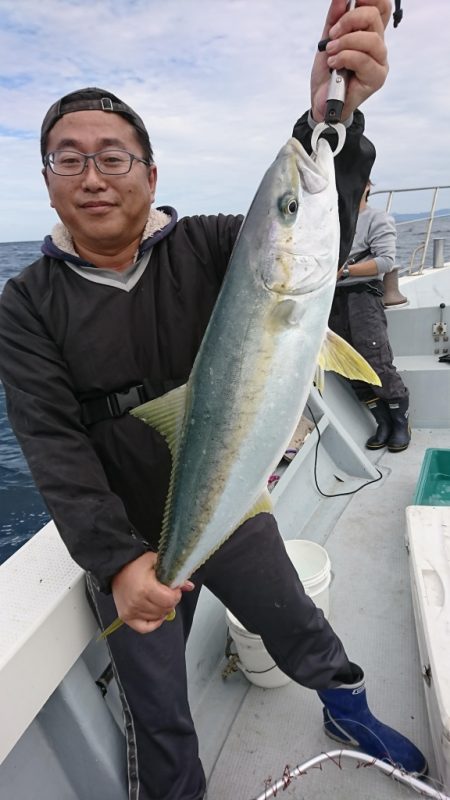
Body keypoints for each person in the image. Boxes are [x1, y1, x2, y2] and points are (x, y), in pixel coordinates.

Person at [0, 2, 425, 798]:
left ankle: (345, 702)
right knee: (155, 702)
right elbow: (49, 438)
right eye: (68, 159)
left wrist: (332, 119)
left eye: (114, 157)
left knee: (298, 622)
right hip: (123, 530)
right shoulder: (24, 302)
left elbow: (304, 227)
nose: (92, 175)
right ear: (47, 180)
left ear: (151, 175)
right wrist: (120, 562)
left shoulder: (209, 243)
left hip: (233, 504)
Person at [330, 177, 411, 451]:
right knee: (347, 362)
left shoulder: (377, 218)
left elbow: (386, 261)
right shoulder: (331, 223)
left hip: (363, 295)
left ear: (367, 186)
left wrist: (348, 270)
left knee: (376, 359)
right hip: (331, 300)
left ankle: (400, 421)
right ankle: (382, 422)